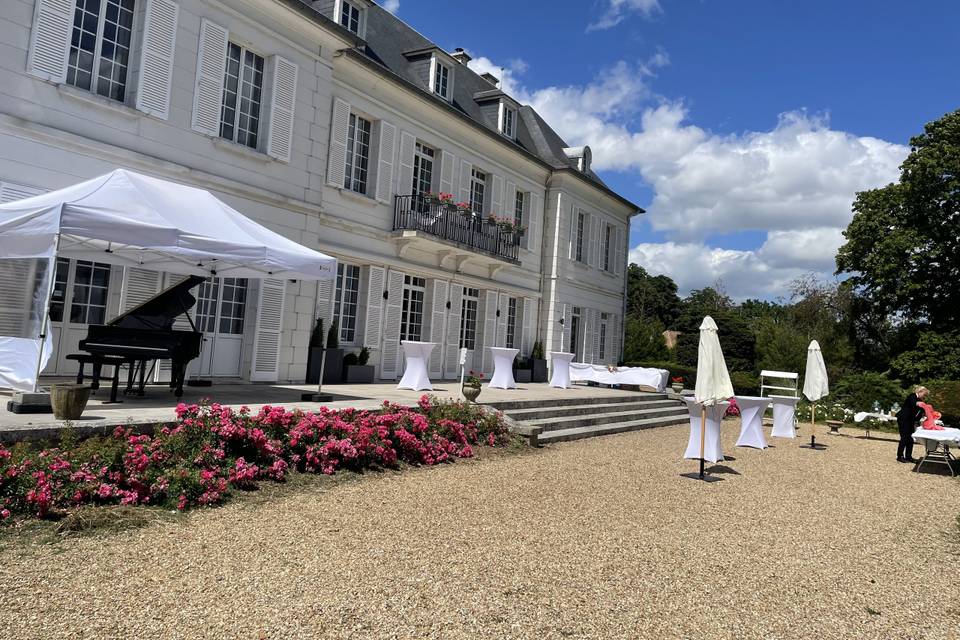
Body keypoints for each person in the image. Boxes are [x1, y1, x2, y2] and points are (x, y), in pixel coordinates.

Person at [895, 385, 928, 463]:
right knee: (904, 437)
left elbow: (920, 412)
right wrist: (920, 404)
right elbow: (914, 403)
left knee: (910, 439)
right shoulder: (912, 396)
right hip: (903, 419)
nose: (924, 396)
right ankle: (900, 456)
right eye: (924, 394)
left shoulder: (920, 400)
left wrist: (926, 412)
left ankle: (908, 456)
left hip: (910, 420)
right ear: (920, 392)